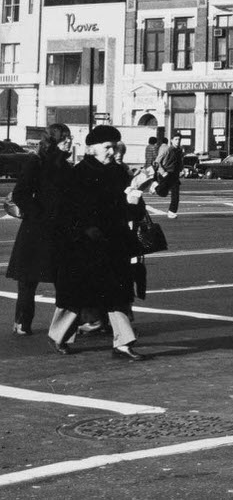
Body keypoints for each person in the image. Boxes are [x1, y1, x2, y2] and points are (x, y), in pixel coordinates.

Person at [48, 125, 146, 360]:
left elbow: (129, 211)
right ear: (91, 148)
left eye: (114, 147)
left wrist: (135, 197)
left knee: (118, 294)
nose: (112, 152)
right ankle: (58, 335)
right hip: (85, 245)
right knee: (78, 296)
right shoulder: (78, 174)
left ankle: (123, 343)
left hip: (114, 243)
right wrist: (85, 228)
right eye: (107, 147)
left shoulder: (120, 172)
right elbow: (67, 211)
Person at [6, 124, 73, 336]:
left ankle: (65, 328)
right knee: (28, 280)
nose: (68, 141)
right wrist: (40, 213)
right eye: (64, 138)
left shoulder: (66, 166)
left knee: (65, 278)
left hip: (59, 229)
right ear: (52, 140)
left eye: (69, 137)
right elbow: (21, 194)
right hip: (37, 229)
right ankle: (22, 322)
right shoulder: (36, 162)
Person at [150, 130, 182, 218]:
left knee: (175, 195)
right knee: (162, 193)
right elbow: (157, 162)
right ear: (171, 140)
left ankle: (171, 211)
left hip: (175, 175)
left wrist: (181, 169)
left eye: (179, 139)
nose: (178, 141)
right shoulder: (168, 150)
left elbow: (179, 162)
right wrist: (163, 172)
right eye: (176, 139)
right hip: (167, 174)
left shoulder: (179, 150)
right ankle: (155, 185)